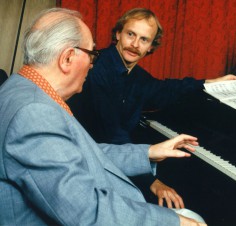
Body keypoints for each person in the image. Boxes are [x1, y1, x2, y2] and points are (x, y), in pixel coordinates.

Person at [0, 7, 208, 226]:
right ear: (68, 57)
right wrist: (175, 222)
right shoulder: (34, 113)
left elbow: (80, 152)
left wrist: (148, 152)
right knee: (194, 218)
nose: (92, 64)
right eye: (91, 54)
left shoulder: (19, 87)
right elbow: (87, 213)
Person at [68, 7, 236, 209]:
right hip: (86, 165)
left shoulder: (137, 76)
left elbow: (165, 89)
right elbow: (112, 133)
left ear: (151, 46)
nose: (135, 44)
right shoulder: (99, 69)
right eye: (130, 34)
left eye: (144, 39)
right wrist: (152, 182)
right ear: (118, 34)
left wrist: (209, 82)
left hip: (112, 156)